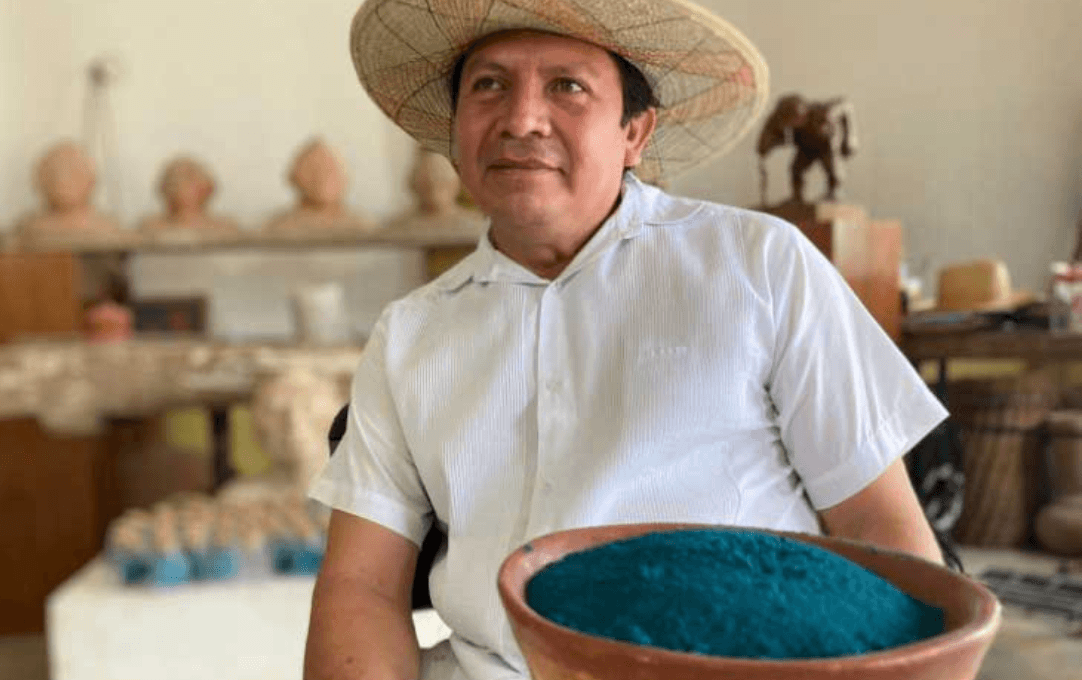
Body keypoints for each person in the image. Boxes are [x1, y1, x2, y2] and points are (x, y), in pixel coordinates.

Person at [305, 1, 949, 679]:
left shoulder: (759, 267)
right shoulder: (410, 335)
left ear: (635, 132)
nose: (521, 120)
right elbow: (362, 585)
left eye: (567, 86)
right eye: (489, 85)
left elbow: (877, 527)